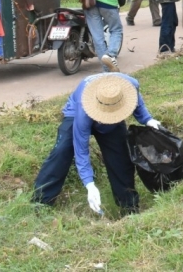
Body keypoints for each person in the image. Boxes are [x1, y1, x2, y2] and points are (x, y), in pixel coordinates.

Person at [33, 73, 162, 215]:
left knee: (121, 158)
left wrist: (148, 120)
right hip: (75, 114)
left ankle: (129, 207)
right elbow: (81, 149)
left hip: (114, 111)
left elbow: (136, 102)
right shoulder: (83, 110)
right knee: (62, 151)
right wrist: (90, 184)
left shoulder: (129, 85)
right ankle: (40, 202)